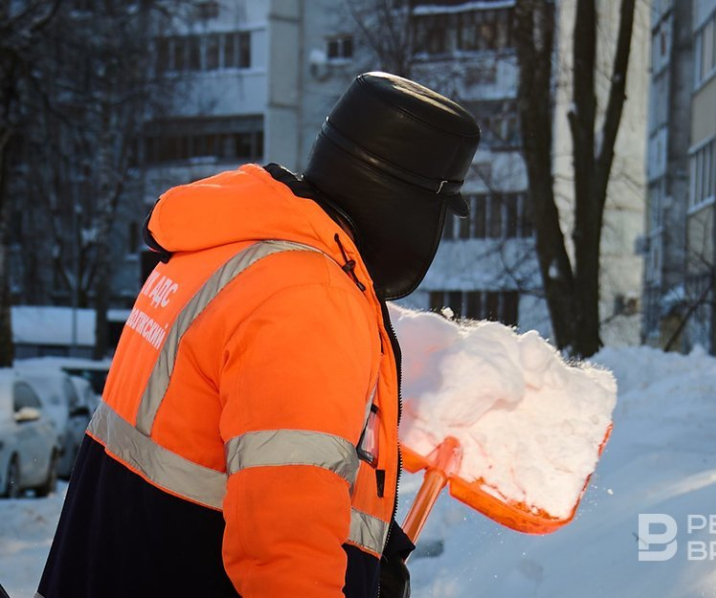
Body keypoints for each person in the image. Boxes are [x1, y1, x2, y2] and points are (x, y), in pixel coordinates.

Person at [37, 72, 480, 598]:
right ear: (408, 202)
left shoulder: (223, 250)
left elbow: (229, 450)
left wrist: (363, 550)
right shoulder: (308, 296)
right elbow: (283, 545)